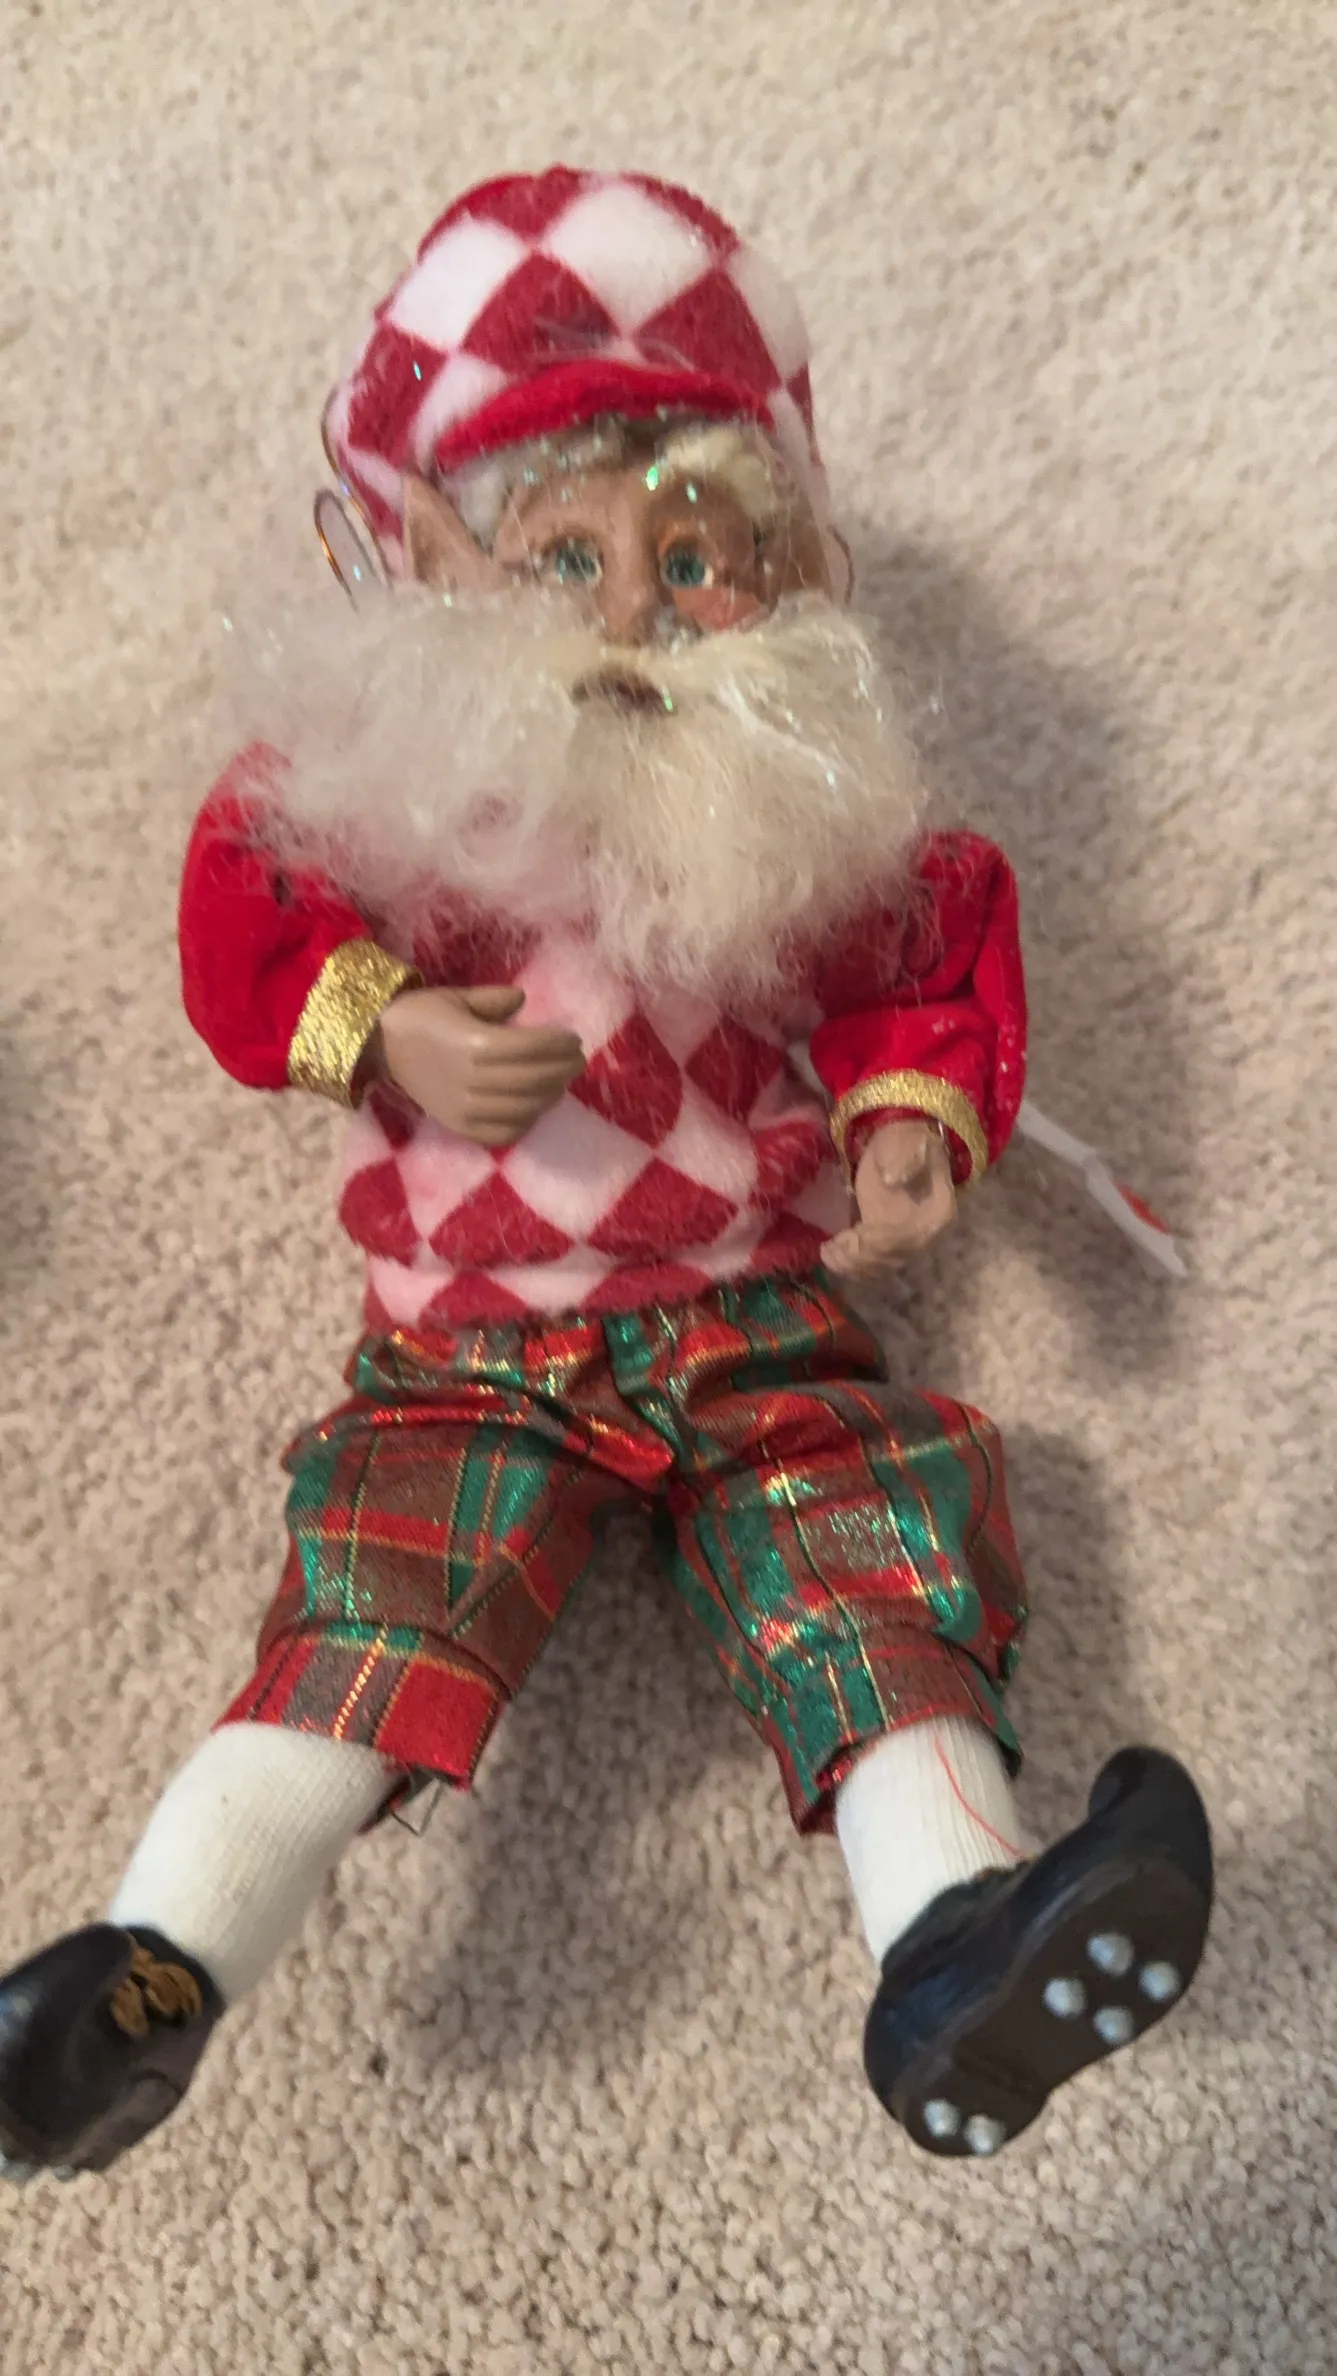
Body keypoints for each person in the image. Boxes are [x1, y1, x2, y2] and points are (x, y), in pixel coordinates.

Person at [0, 167, 1211, 2181]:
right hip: (468, 1351)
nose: (634, 606)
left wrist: (914, 1121)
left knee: (865, 1563)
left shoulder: (788, 800)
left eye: (695, 553)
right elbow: (245, 925)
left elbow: (923, 949)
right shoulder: (399, 797)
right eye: (562, 553)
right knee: (374, 1609)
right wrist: (384, 1028)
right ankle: (151, 1968)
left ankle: (954, 1944)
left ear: (786, 564)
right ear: (433, 561)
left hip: (755, 1325)